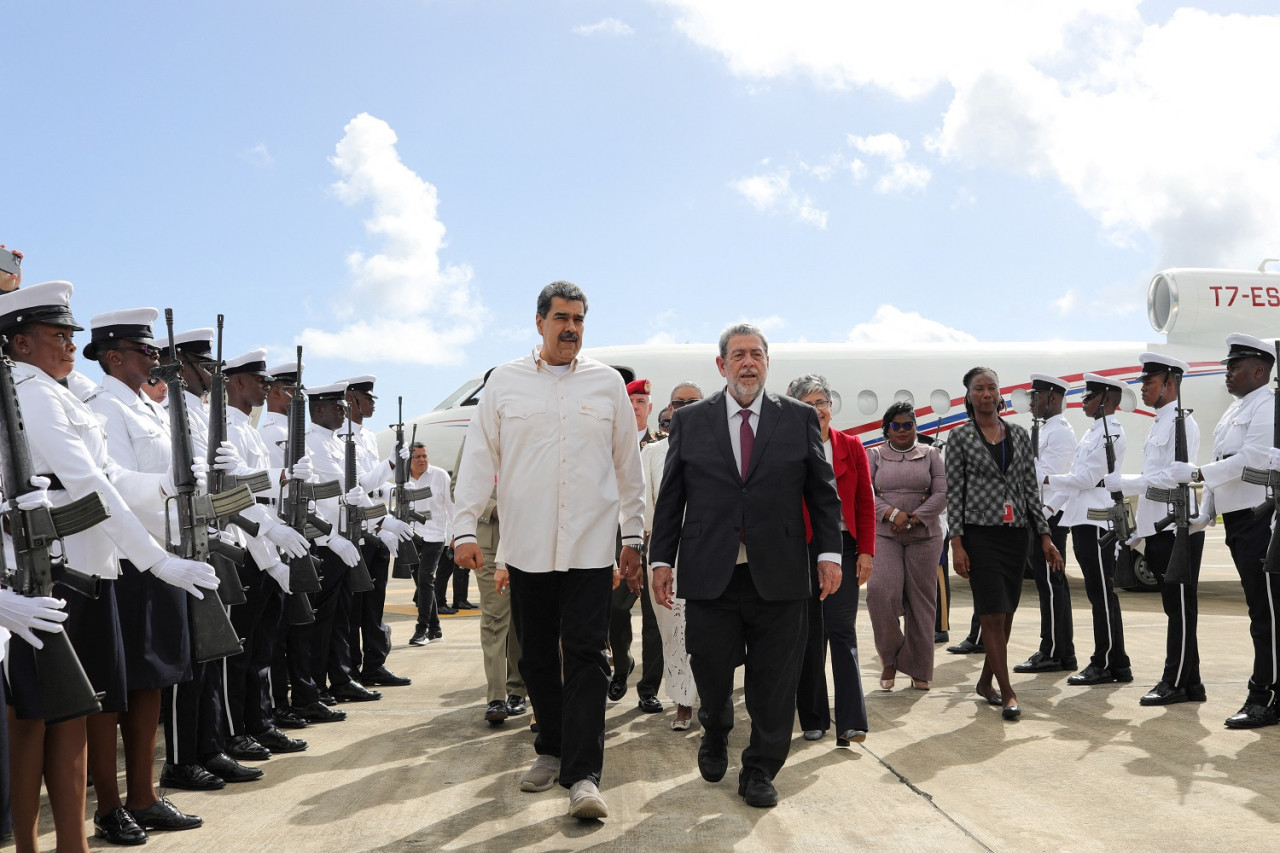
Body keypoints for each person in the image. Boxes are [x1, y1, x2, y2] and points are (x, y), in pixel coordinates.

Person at [0, 283, 219, 849]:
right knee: (40, 722)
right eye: (57, 336)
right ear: (20, 342)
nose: (70, 346)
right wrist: (158, 560)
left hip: (85, 573)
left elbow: (112, 479)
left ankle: (68, 841)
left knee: (67, 716)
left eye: (72, 336)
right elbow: (91, 485)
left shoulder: (60, 394)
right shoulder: (34, 393)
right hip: (56, 579)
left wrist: (167, 488)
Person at [452, 281, 645, 820]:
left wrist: (632, 537)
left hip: (588, 547)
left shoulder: (606, 384)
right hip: (528, 547)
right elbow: (477, 457)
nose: (571, 328)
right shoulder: (505, 384)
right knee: (535, 655)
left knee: (587, 655)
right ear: (539, 322)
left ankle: (583, 776)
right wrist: (464, 528)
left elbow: (630, 467)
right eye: (561, 318)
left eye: (579, 319)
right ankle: (552, 749)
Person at [650, 322, 842, 808]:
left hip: (780, 572)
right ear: (722, 365)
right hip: (711, 570)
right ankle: (715, 728)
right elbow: (672, 497)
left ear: (767, 362)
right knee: (711, 669)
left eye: (756, 353)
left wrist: (828, 553)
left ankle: (759, 768)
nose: (748, 362)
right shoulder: (692, 420)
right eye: (738, 355)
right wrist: (660, 559)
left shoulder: (797, 417)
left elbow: (822, 493)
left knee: (774, 679)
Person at [946, 366, 1063, 721]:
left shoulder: (1018, 435)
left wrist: (1045, 537)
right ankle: (1008, 691)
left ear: (999, 394)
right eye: (978, 389)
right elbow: (954, 493)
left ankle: (985, 681)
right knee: (991, 613)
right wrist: (957, 544)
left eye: (991, 388)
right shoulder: (960, 438)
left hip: (1016, 535)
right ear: (968, 396)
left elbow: (1031, 489)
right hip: (979, 535)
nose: (985, 394)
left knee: (1007, 612)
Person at [1175, 335, 1278, 726]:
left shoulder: (1268, 405)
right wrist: (1206, 514)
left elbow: (1252, 458)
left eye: (1234, 367)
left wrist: (1199, 473)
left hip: (1261, 519)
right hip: (1238, 521)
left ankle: (1264, 696)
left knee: (1266, 613)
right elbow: (1224, 464)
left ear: (1259, 370)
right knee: (1260, 609)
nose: (1227, 374)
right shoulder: (1235, 410)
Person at [1104, 353, 1204, 704]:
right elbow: (1155, 485)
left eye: (1150, 381)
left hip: (1178, 528)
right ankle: (1191, 683)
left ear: (1170, 383)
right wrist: (1138, 529)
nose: (1143, 387)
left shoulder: (1182, 424)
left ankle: (1173, 682)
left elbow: (1172, 477)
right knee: (1174, 606)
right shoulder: (1158, 423)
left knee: (1179, 607)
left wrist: (1128, 482)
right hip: (1159, 527)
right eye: (1144, 381)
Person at [789, 375, 875, 747]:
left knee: (842, 631)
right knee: (808, 635)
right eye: (808, 404)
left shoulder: (852, 446)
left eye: (822, 402)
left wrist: (867, 551)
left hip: (844, 545)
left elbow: (865, 503)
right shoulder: (787, 447)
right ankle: (813, 717)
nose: (818, 410)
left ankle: (852, 721)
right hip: (802, 547)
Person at [866, 401, 946, 697]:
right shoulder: (873, 455)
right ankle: (891, 658)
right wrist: (892, 514)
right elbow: (867, 494)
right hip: (884, 534)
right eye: (896, 425)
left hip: (924, 535)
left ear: (916, 427)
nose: (902, 430)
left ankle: (920, 669)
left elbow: (942, 492)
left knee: (922, 603)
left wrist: (915, 517)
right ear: (887, 428)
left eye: (908, 424)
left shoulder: (931, 454)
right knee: (881, 593)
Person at [339, 375, 414, 688]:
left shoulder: (368, 436)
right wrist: (390, 465)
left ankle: (374, 664)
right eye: (366, 398)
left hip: (378, 532)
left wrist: (396, 490)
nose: (371, 403)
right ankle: (351, 670)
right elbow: (357, 486)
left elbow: (374, 487)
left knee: (374, 606)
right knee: (353, 610)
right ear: (350, 398)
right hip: (357, 532)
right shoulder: (341, 437)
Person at [641, 382, 704, 730]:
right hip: (669, 552)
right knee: (673, 630)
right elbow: (646, 509)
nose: (683, 409)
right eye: (677, 403)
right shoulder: (652, 453)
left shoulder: (719, 447)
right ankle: (682, 702)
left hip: (710, 551)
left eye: (692, 402)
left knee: (709, 629)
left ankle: (710, 698)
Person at [608, 377, 665, 713]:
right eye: (630, 404)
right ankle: (622, 666)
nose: (635, 409)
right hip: (620, 538)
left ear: (649, 408)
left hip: (655, 538)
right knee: (616, 608)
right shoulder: (611, 446)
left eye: (641, 403)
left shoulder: (661, 446)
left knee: (654, 616)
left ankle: (648, 688)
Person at [1014, 373, 1077, 674]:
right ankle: (1063, 652)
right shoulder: (1043, 430)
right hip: (1037, 515)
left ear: (1051, 398)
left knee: (1051, 586)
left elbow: (1048, 476)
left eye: (1034, 398)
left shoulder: (1060, 432)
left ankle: (1052, 651)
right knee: (1050, 586)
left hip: (1049, 517)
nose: (1030, 404)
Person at [406, 442, 454, 648]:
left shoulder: (440, 475)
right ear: (409, 460)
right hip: (410, 537)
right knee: (422, 582)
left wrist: (454, 536)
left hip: (434, 537)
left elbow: (452, 507)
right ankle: (436, 628)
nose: (422, 459)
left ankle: (422, 629)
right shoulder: (402, 479)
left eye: (424, 455)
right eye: (417, 456)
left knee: (425, 578)